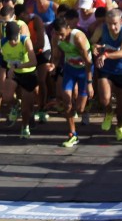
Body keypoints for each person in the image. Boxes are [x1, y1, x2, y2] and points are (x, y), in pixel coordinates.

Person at [0, 20, 37, 139]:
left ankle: (25, 126)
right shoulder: (3, 42)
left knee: (26, 108)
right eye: (10, 38)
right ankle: (16, 104)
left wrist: (17, 66)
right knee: (6, 96)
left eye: (14, 38)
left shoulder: (25, 41)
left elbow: (33, 61)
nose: (12, 41)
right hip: (13, 73)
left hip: (28, 73)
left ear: (19, 34)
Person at [90, 8, 122, 142]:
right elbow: (92, 41)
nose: (112, 27)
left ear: (121, 21)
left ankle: (119, 127)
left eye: (115, 24)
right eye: (109, 24)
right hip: (106, 68)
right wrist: (94, 47)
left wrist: (105, 55)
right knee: (105, 99)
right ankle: (108, 112)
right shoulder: (101, 28)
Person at [51, 14, 93, 147]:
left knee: (79, 109)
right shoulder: (55, 38)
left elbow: (88, 62)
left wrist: (90, 83)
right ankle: (72, 134)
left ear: (68, 28)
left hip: (83, 71)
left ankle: (86, 106)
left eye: (62, 34)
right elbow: (56, 56)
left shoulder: (78, 38)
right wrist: (53, 65)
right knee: (67, 102)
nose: (60, 37)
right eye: (57, 34)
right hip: (69, 69)